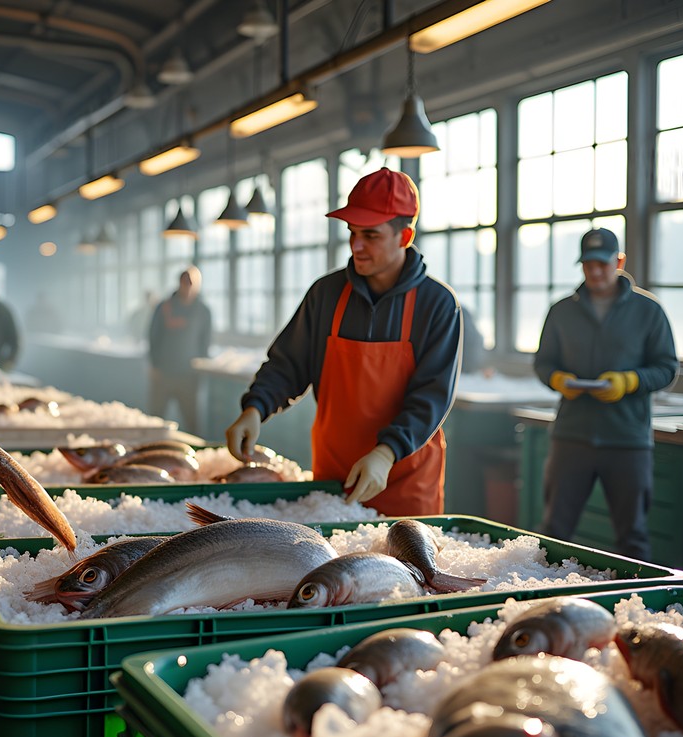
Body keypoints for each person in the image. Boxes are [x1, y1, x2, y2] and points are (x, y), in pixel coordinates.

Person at [225, 168, 463, 516]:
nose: (356, 245)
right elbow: (289, 364)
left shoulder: (437, 304)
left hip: (406, 481)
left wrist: (386, 452)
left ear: (405, 235)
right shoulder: (327, 294)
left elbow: (432, 395)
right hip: (334, 480)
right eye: (352, 232)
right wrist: (255, 408)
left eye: (370, 235)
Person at [533, 227, 678, 561]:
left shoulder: (648, 311)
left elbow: (667, 368)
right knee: (553, 532)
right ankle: (543, 607)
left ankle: (636, 607)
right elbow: (542, 363)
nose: (595, 271)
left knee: (634, 538)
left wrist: (628, 382)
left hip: (627, 441)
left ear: (619, 260)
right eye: (588, 264)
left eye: (602, 263)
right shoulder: (561, 311)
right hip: (572, 437)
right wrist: (557, 379)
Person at [148, 266, 212, 435]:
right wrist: (154, 365)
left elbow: (205, 343)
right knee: (156, 419)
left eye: (191, 283)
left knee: (192, 422)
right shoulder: (164, 307)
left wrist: (201, 370)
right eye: (184, 282)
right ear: (179, 283)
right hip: (164, 373)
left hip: (189, 376)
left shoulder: (203, 311)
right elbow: (153, 337)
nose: (187, 286)